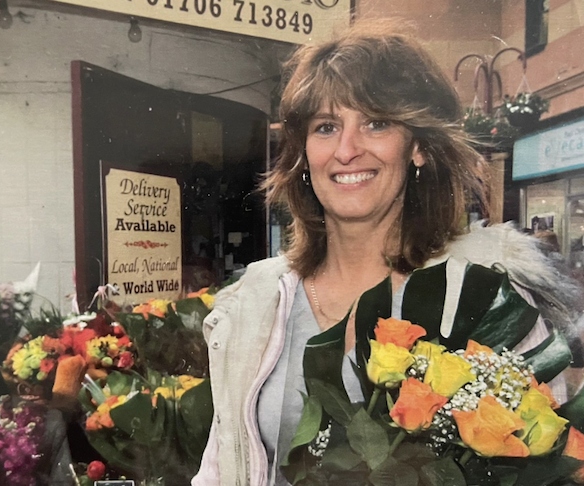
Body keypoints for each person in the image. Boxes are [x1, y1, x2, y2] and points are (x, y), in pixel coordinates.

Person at [192, 18, 583, 486]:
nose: (347, 150)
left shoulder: (488, 303)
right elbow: (221, 464)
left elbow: (543, 466)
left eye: (376, 123)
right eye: (326, 126)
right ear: (303, 154)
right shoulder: (255, 301)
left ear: (417, 146)